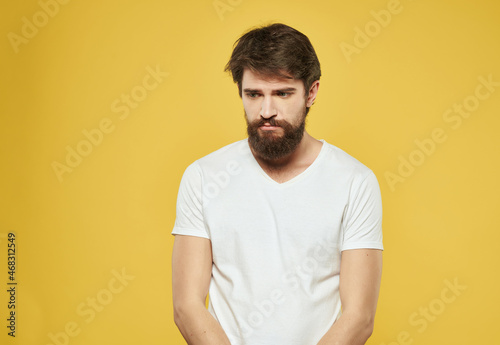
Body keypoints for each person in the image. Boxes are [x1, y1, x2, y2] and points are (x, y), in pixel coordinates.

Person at [171, 23, 383, 345]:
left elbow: (359, 317)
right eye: (254, 94)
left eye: (282, 94)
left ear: (311, 93)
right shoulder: (203, 177)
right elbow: (187, 306)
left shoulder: (355, 182)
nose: (266, 111)